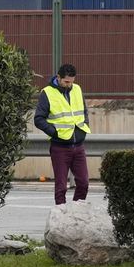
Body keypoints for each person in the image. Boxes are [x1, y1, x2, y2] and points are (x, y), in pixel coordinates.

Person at [34, 63, 90, 205]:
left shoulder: (77, 89)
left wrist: (84, 128)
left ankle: (76, 212)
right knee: (61, 187)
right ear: (58, 77)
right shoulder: (47, 93)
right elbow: (38, 119)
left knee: (83, 183)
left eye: (72, 81)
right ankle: (61, 216)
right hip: (60, 147)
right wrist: (55, 133)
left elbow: (84, 111)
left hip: (78, 145)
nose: (69, 84)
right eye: (66, 81)